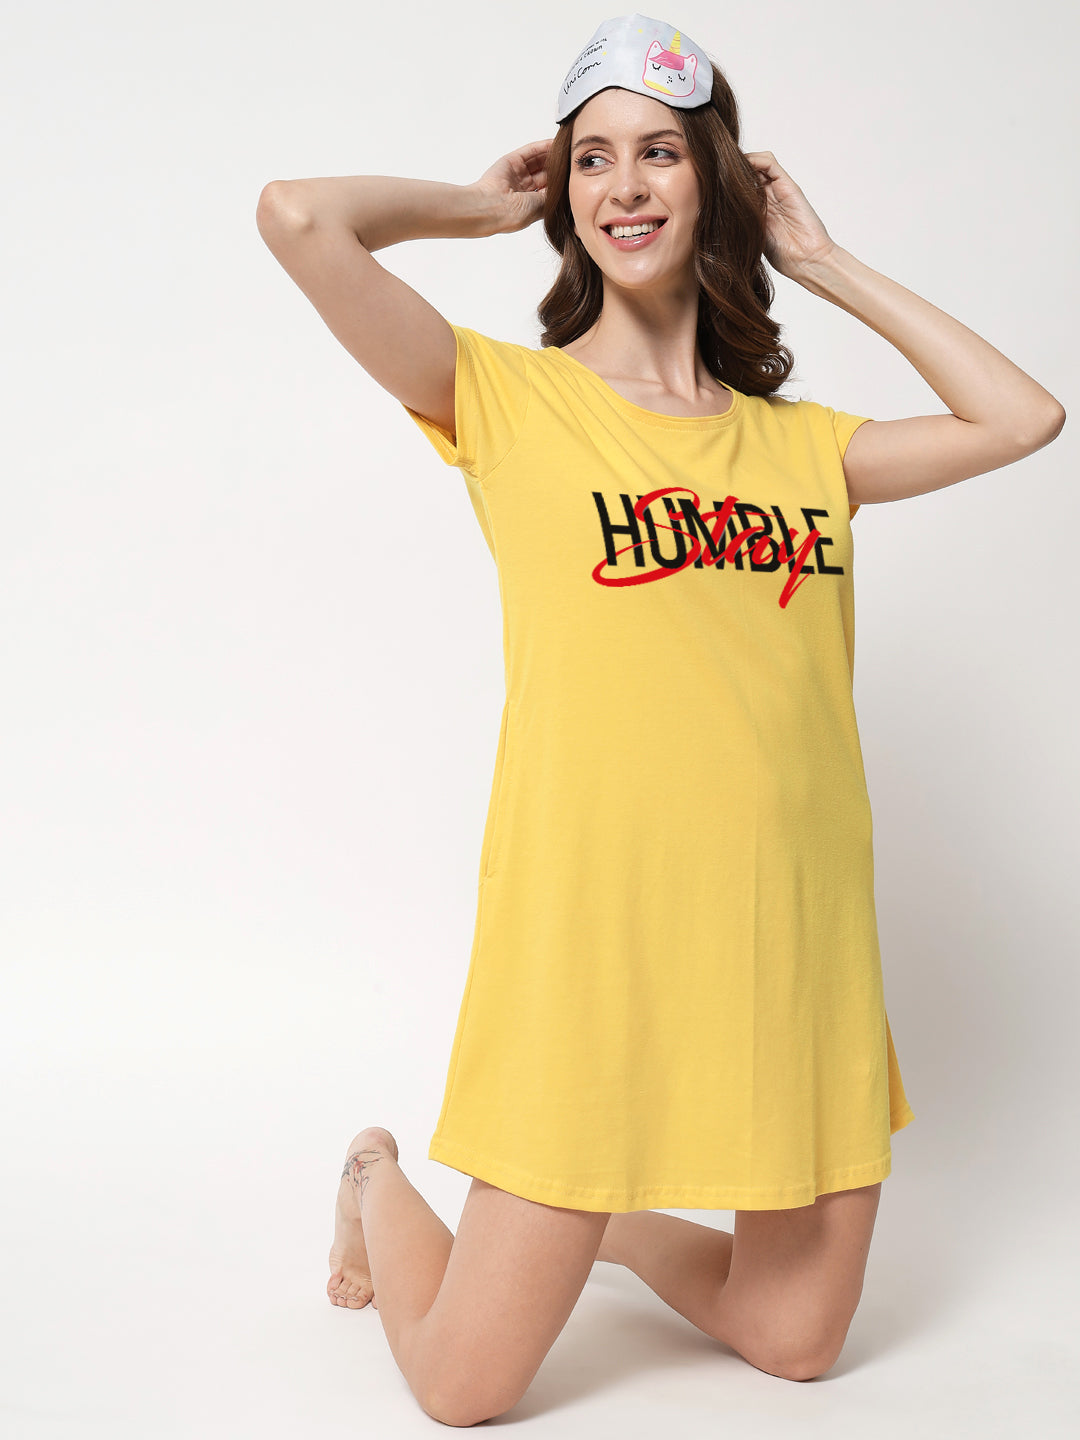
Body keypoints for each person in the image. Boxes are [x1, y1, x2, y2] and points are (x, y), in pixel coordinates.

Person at [255, 12, 1065, 1426]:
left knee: (796, 1342)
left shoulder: (807, 447)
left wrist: (823, 261)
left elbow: (1023, 418)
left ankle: (619, 1231)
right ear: (566, 192)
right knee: (462, 1390)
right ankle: (374, 1176)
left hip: (791, 938)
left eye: (661, 155)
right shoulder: (507, 399)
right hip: (599, 939)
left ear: (716, 183)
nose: (624, 186)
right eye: (593, 160)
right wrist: (482, 208)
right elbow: (299, 217)